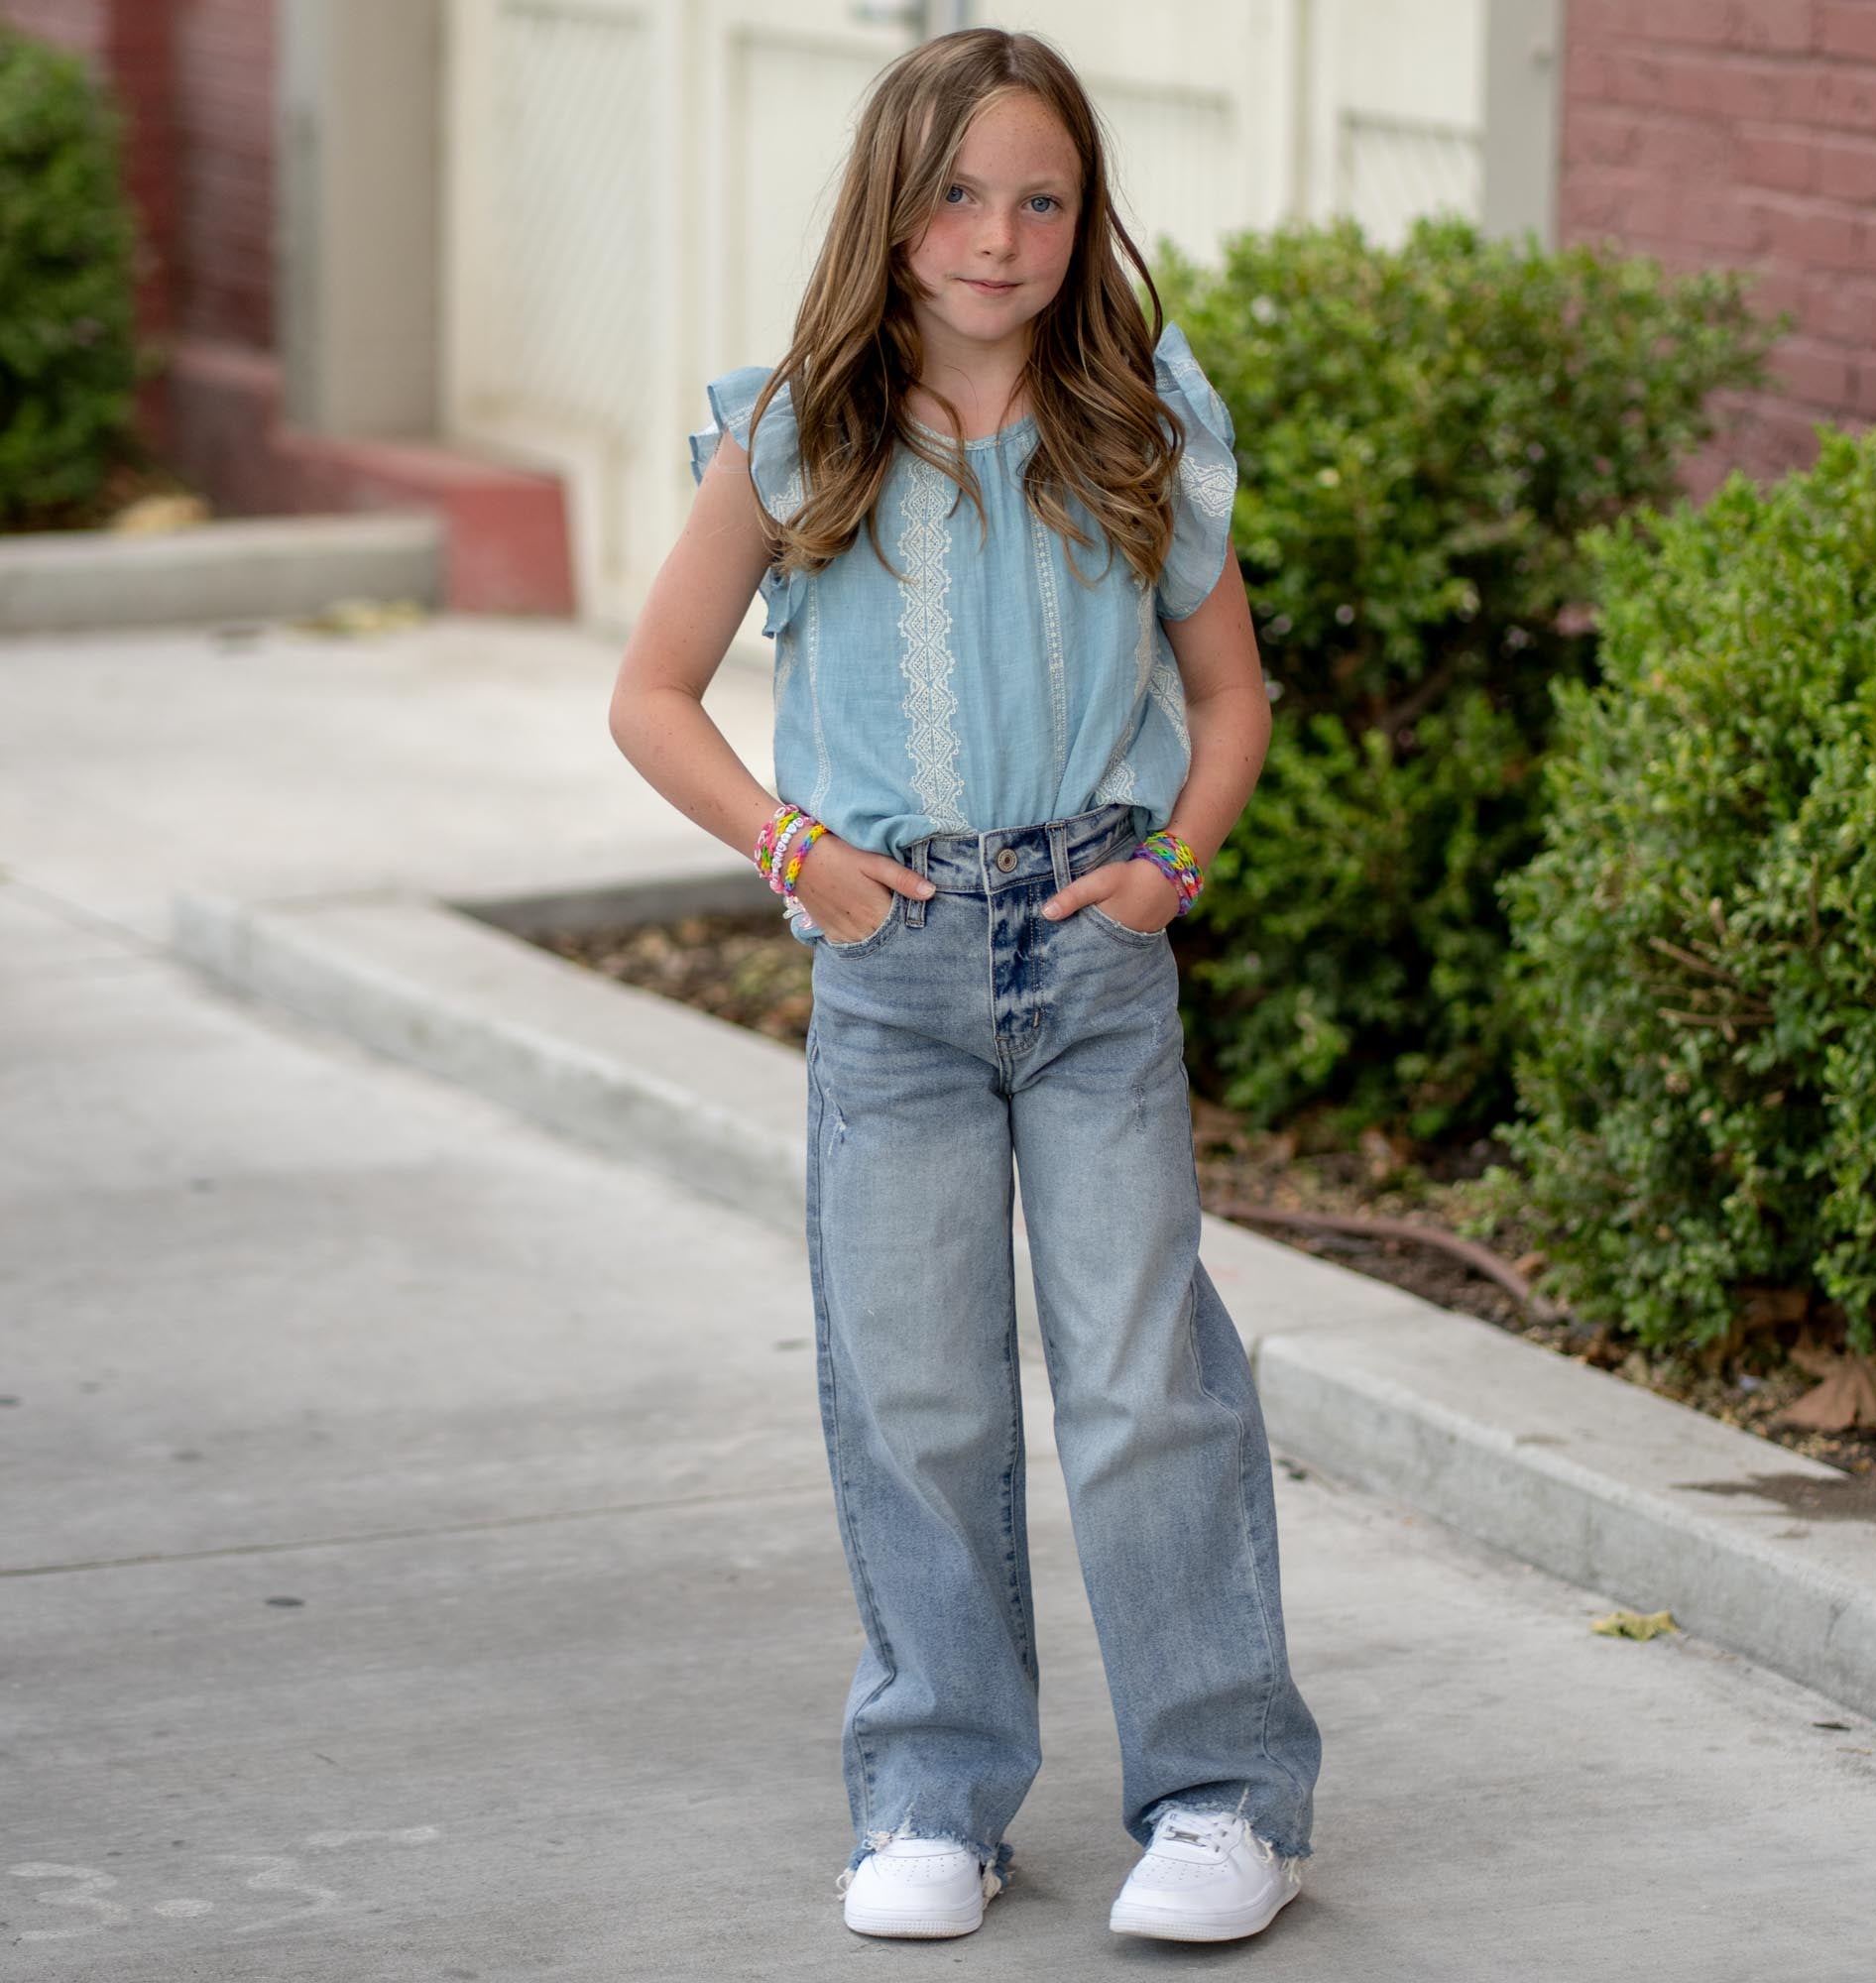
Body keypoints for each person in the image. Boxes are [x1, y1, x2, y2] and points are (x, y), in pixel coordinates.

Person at [608, 24, 1322, 1948]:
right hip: (893, 971)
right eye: (957, 196)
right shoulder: (800, 431)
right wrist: (795, 857)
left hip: (1092, 961)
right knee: (915, 1390)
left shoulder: (1136, 420)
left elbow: (1232, 698)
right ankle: (933, 1790)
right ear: (891, 209)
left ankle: (1225, 1798)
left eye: (1041, 199)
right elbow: (650, 697)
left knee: (1141, 1379)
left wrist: (1173, 869)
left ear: (1085, 220)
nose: (998, 237)